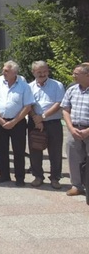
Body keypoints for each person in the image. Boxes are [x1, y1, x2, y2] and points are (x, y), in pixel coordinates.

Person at [0, 60, 35, 186]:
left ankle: (20, 178)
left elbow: (27, 106)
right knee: (1, 150)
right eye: (3, 70)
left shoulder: (23, 86)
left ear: (14, 72)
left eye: (6, 70)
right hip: (0, 122)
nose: (3, 72)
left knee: (19, 151)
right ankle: (4, 175)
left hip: (18, 123)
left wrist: (14, 121)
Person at [27, 61, 65, 189]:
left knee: (55, 151)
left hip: (53, 122)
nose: (42, 74)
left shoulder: (57, 85)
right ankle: (38, 176)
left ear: (48, 71)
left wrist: (43, 117)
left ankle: (55, 178)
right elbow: (29, 104)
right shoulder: (29, 86)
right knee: (35, 149)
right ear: (33, 72)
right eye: (39, 72)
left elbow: (58, 103)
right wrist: (36, 119)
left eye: (45, 71)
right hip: (34, 122)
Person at [62, 63, 89, 197]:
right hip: (74, 129)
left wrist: (87, 131)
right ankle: (76, 185)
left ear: (87, 75)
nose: (73, 76)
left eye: (76, 74)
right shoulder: (72, 89)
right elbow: (65, 110)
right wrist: (71, 128)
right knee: (73, 158)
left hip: (88, 130)